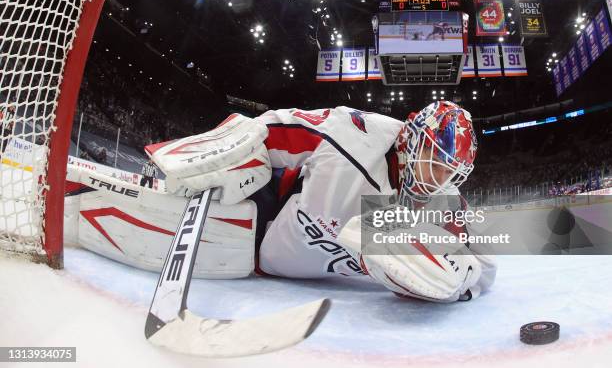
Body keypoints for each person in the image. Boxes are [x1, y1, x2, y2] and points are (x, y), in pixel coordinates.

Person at [146, 101, 496, 303]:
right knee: (243, 172)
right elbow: (268, 128)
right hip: (260, 220)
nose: (437, 180)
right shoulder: (353, 137)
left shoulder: (443, 201)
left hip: (272, 272)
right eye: (433, 163)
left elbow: (485, 265)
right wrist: (219, 151)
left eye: (450, 172)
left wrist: (462, 283)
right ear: (410, 141)